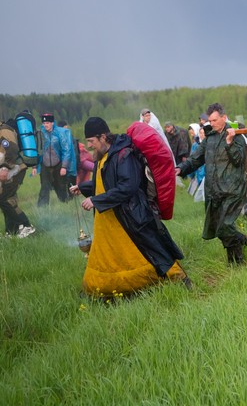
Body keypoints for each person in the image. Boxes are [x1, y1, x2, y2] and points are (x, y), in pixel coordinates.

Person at [70, 117, 190, 296]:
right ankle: (103, 288)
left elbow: (128, 186)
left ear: (103, 137)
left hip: (132, 215)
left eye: (91, 141)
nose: (89, 146)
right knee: (112, 256)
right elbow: (103, 182)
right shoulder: (104, 157)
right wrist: (83, 187)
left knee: (150, 249)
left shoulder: (124, 155)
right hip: (110, 219)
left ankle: (180, 280)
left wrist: (96, 201)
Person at [176, 103, 247, 265]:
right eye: (210, 120)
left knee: (224, 226)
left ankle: (238, 261)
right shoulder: (209, 138)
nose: (212, 123)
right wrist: (180, 169)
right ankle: (236, 251)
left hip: (233, 189)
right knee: (218, 227)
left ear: (224, 118)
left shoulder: (236, 135)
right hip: (214, 190)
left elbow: (239, 160)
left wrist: (230, 142)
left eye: (215, 120)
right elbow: (195, 159)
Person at [33, 113, 72, 206]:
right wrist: (34, 166)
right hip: (45, 166)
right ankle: (42, 208)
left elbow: (66, 150)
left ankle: (65, 204)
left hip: (58, 165)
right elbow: (37, 150)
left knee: (60, 186)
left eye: (47, 122)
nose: (45, 125)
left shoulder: (59, 133)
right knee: (44, 187)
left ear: (52, 123)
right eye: (44, 123)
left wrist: (64, 166)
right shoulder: (40, 135)